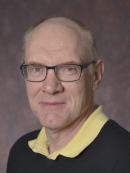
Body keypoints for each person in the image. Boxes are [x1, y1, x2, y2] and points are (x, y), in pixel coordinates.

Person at [7, 15, 130, 173]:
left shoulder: (124, 157)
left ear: (96, 76)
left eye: (68, 69)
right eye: (36, 69)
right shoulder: (20, 154)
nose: (50, 87)